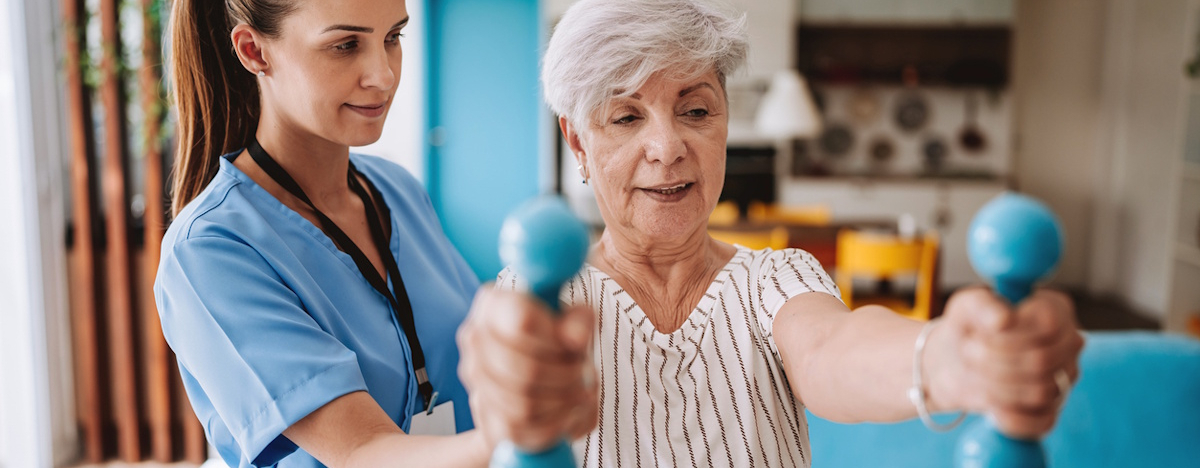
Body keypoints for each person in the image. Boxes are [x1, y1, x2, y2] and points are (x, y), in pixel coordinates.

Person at [456, 0, 1085, 466]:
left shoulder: (777, 277)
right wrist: (508, 387)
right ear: (578, 144)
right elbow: (503, 393)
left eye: (696, 110)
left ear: (725, 121)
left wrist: (952, 356)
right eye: (626, 117)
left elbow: (833, 349)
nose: (668, 147)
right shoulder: (543, 299)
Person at [154, 0, 589, 466]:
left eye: (393, 38)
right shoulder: (209, 249)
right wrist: (516, 436)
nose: (382, 75)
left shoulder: (396, 189)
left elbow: (475, 354)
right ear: (255, 52)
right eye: (345, 45)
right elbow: (361, 451)